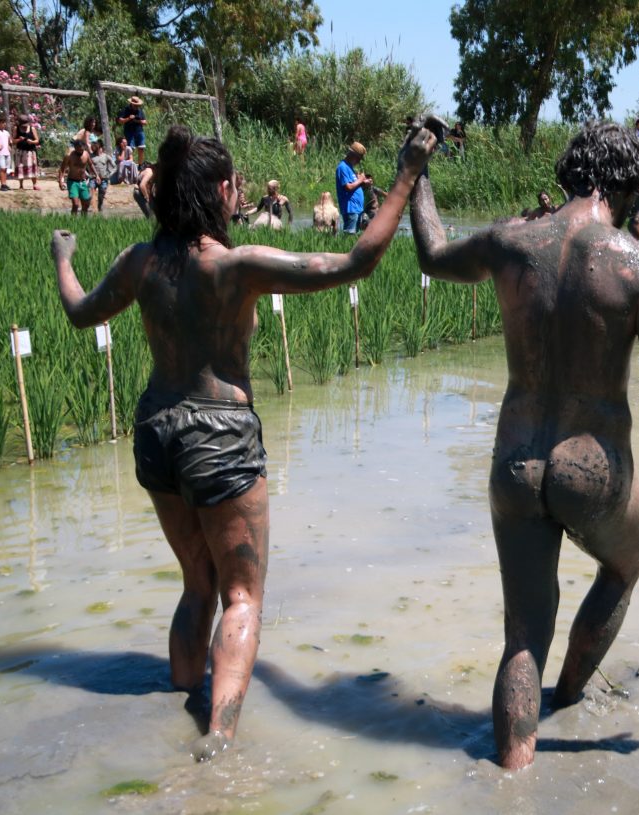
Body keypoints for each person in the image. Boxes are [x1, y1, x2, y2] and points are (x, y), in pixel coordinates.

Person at [51, 122, 436, 762]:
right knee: (241, 595)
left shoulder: (139, 263)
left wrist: (64, 257)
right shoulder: (235, 265)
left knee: (195, 581)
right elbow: (356, 260)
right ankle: (220, 740)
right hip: (219, 435)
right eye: (234, 185)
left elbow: (78, 311)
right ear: (222, 192)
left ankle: (171, 701)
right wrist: (405, 172)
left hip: (156, 434)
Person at [407, 121, 639, 770]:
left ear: (571, 174)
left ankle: (511, 775)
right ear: (628, 184)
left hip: (515, 463)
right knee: (623, 563)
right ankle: (568, 697)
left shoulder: (509, 242)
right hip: (590, 469)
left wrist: (416, 173)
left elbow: (430, 251)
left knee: (522, 632)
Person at [336, 141, 368, 234]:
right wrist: (360, 180)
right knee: (349, 236)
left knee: (354, 238)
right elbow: (348, 187)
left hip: (357, 208)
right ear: (352, 155)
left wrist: (363, 183)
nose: (359, 161)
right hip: (350, 208)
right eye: (359, 158)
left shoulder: (350, 167)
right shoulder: (343, 167)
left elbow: (354, 184)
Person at [58, 140, 92, 216]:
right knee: (75, 204)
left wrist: (97, 175)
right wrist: (61, 181)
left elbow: (91, 165)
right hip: (72, 182)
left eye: (82, 149)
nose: (80, 151)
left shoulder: (86, 154)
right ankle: (73, 221)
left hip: (83, 181)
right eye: (78, 149)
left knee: (86, 204)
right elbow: (62, 169)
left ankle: (84, 221)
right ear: (75, 148)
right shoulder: (69, 155)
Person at [13, 113, 40, 190]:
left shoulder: (32, 129)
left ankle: (35, 184)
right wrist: (19, 139)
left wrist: (31, 142)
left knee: (32, 167)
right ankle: (21, 185)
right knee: (20, 167)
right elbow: (13, 140)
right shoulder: (16, 128)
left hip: (30, 152)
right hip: (20, 151)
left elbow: (37, 140)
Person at [117, 96, 147, 165]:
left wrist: (137, 121)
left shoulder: (140, 111)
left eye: (138, 105)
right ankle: (129, 165)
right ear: (131, 104)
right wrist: (128, 118)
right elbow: (120, 121)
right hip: (129, 132)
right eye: (135, 105)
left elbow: (145, 122)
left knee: (141, 148)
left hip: (139, 131)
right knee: (130, 149)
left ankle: (140, 165)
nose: (137, 107)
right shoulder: (125, 110)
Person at [90, 140, 117, 212]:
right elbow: (85, 166)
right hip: (93, 178)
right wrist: (87, 175)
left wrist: (110, 174)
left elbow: (115, 166)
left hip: (104, 179)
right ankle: (94, 209)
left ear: (101, 147)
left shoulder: (106, 156)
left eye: (97, 147)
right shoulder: (91, 156)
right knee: (92, 191)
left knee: (101, 195)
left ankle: (99, 206)